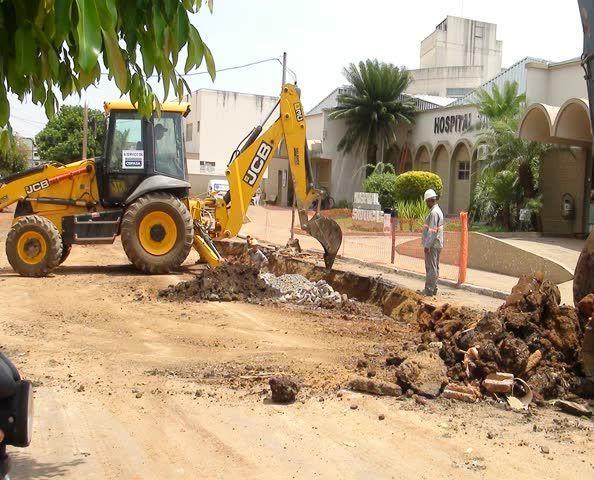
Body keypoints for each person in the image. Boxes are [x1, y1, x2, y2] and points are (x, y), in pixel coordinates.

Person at [420, 189, 444, 296]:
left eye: (426, 202)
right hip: (437, 244)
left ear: (430, 200)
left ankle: (429, 289)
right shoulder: (438, 210)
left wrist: (427, 245)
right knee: (435, 267)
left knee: (431, 268)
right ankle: (434, 288)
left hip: (433, 245)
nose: (426, 204)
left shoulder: (434, 213)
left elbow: (432, 231)